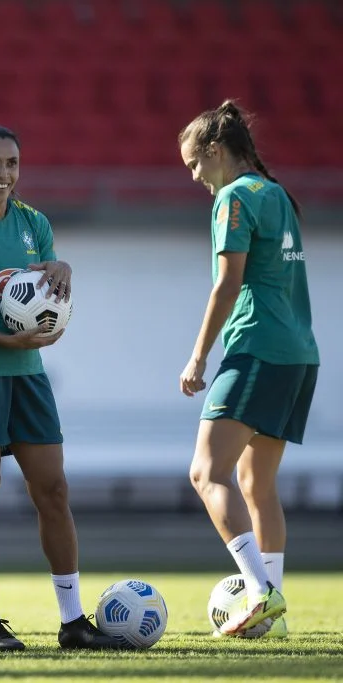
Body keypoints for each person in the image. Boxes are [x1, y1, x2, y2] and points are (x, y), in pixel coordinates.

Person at [0, 123, 122, 651]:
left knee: (53, 490)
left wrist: (62, 268)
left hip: (27, 375)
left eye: (11, 163)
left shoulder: (34, 222)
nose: (3, 174)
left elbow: (48, 293)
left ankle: (73, 621)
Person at [178, 100, 314, 638]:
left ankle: (259, 592)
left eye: (194, 163)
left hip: (256, 348)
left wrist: (198, 355)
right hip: (300, 353)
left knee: (206, 473)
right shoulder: (275, 192)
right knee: (257, 484)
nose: (193, 176)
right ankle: (273, 610)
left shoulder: (232, 196)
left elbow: (227, 284)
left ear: (215, 151)